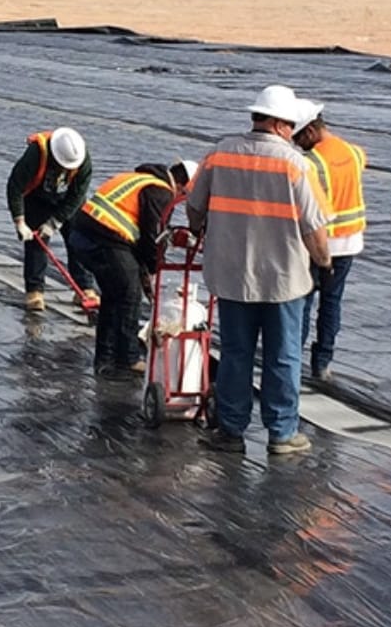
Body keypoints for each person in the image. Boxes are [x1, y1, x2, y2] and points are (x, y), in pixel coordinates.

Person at [187, 85, 332, 455]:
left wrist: (201, 229)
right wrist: (324, 262)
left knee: (236, 353)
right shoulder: (294, 163)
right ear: (284, 125)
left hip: (232, 275)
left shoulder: (219, 154)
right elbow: (314, 226)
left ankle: (231, 431)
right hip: (282, 279)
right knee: (282, 355)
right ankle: (282, 433)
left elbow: (194, 205)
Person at [66, 161, 192, 377]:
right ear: (181, 186)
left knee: (114, 296)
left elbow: (140, 237)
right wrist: (153, 270)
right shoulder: (161, 192)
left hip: (84, 235)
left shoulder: (140, 179)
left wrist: (146, 269)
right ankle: (128, 359)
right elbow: (152, 237)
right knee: (129, 294)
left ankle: (105, 360)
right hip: (104, 238)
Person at [293, 103, 367, 382]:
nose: (298, 146)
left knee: (302, 303)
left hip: (320, 244)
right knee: (332, 304)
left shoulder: (312, 162)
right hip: (349, 244)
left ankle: (292, 360)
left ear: (311, 131)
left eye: (299, 138)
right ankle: (322, 364)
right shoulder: (355, 152)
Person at [6, 127, 95, 312]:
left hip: (68, 200)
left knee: (78, 241)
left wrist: (55, 222)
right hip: (38, 198)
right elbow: (15, 186)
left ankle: (84, 288)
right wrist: (20, 221)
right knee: (37, 245)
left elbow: (78, 195)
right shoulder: (37, 153)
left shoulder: (83, 160)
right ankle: (35, 291)